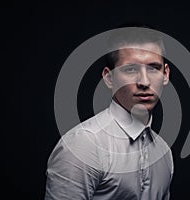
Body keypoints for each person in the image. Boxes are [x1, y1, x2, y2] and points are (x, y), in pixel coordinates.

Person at [45, 25, 173, 200]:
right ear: (109, 78)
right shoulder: (84, 145)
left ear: (165, 74)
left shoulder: (163, 152)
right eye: (130, 69)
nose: (144, 81)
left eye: (153, 68)